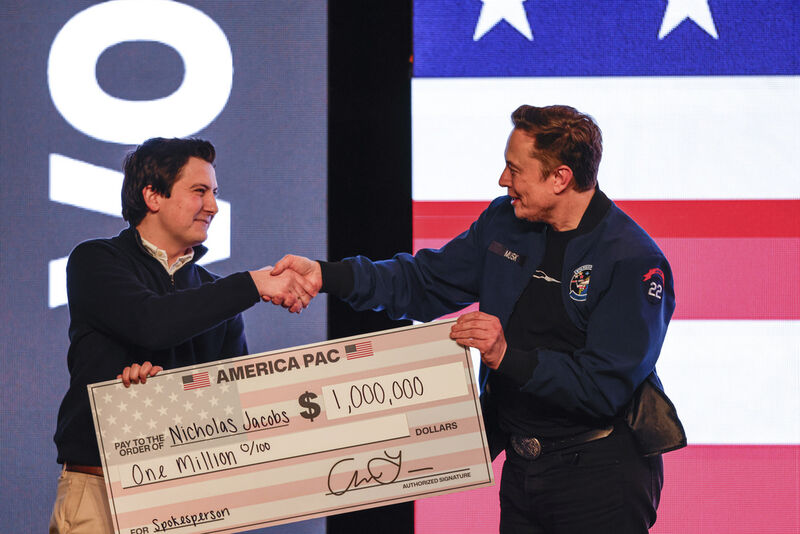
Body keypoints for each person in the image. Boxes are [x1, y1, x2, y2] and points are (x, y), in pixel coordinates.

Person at [272, 105, 685, 533]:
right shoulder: (505, 222)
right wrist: (327, 275)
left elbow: (603, 388)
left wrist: (508, 355)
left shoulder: (633, 261)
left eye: (514, 169)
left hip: (601, 475)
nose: (503, 180)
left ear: (560, 177)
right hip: (524, 467)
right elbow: (422, 282)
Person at [49, 137, 314, 533]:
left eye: (214, 194)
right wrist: (252, 284)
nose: (212, 206)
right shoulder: (95, 260)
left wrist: (162, 401)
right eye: (199, 191)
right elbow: (152, 324)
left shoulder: (220, 296)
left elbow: (232, 412)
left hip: (188, 500)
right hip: (100, 490)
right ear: (153, 195)